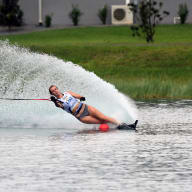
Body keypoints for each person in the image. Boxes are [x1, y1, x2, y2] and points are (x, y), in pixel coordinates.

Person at [49, 85, 121, 126]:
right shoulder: (58, 102)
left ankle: (122, 124)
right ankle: (116, 125)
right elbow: (59, 105)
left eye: (55, 89)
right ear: (52, 94)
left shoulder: (68, 93)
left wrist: (81, 97)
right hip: (82, 116)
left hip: (86, 108)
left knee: (104, 117)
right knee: (101, 121)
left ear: (58, 89)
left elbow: (77, 96)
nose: (55, 91)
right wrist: (54, 100)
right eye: (53, 91)